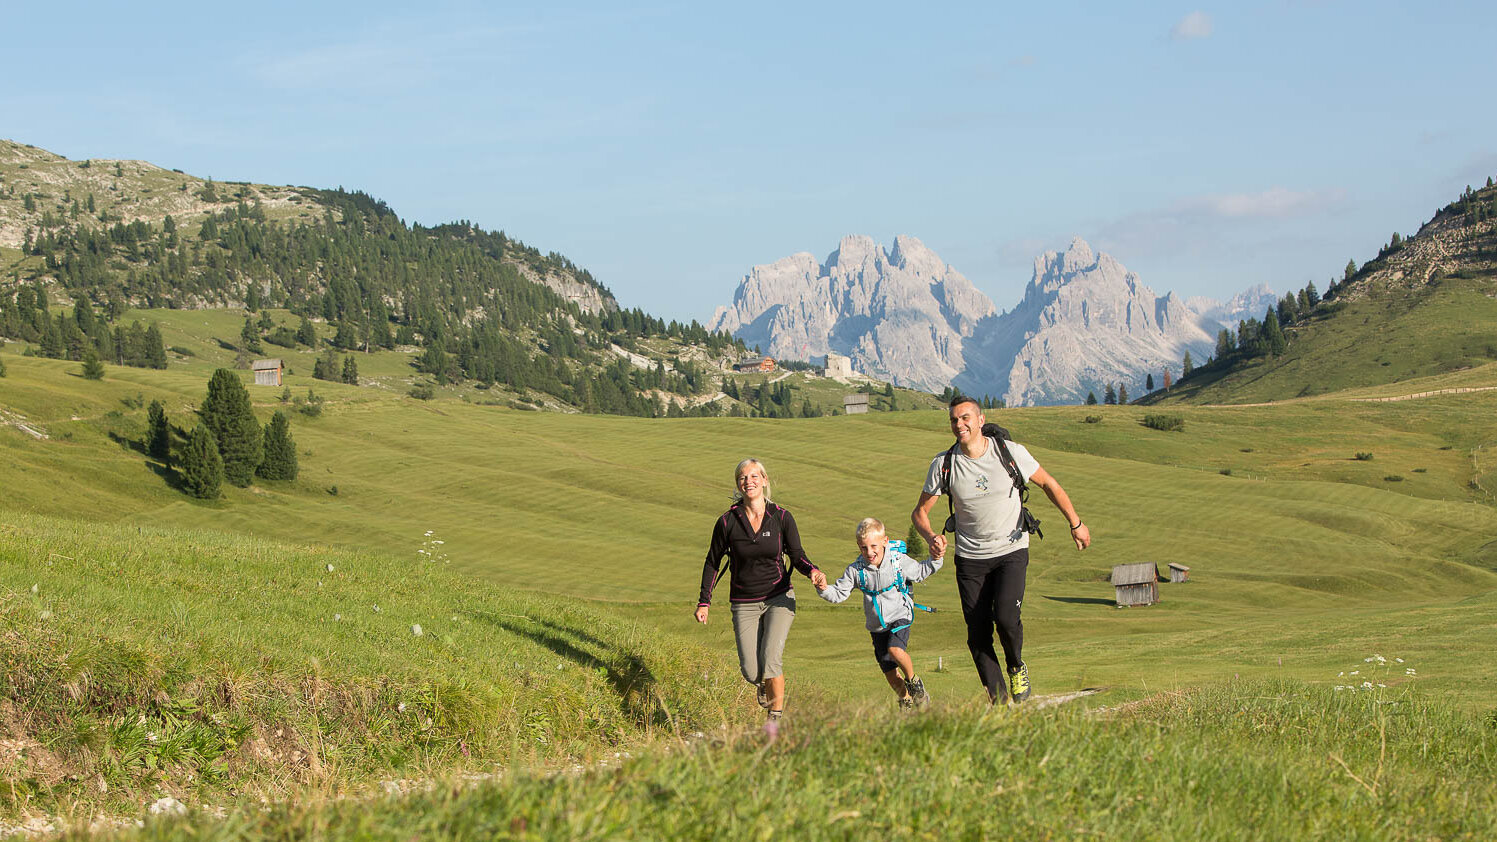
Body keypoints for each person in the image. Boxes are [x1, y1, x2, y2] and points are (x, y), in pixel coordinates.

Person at [911, 397, 1092, 704]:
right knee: (977, 635)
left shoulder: (1009, 453)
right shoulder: (944, 464)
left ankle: (1016, 666)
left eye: (966, 418)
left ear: (981, 420)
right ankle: (1000, 703)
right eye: (954, 420)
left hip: (1011, 549)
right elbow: (919, 513)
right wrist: (931, 537)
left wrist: (1076, 522)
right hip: (970, 558)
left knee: (1006, 618)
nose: (959, 425)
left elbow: (1048, 484)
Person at [697, 458, 827, 723]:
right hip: (743, 602)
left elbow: (797, 555)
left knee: (771, 660)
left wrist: (812, 571)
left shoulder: (781, 517)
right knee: (751, 670)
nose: (749, 481)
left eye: (754, 476)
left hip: (779, 598)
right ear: (738, 485)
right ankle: (762, 685)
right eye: (743, 478)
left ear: (765, 480)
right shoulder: (727, 522)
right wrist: (704, 602)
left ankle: (775, 721)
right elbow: (713, 561)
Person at [815, 517, 944, 709]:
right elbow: (839, 594)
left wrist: (936, 558)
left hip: (901, 614)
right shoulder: (856, 571)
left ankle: (915, 682)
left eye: (874, 546)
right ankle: (906, 700)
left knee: (895, 650)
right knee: (890, 673)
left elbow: (920, 571)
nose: (869, 552)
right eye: (863, 548)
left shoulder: (897, 561)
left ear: (885, 541)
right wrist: (824, 588)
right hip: (877, 626)